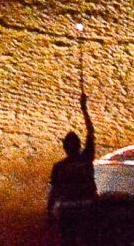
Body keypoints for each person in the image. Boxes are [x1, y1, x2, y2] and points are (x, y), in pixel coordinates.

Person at [48, 90, 99, 243]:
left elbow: (54, 192)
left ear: (65, 148)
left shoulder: (59, 167)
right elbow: (91, 132)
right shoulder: (86, 157)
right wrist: (84, 108)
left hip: (67, 212)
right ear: (79, 145)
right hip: (88, 209)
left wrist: (49, 213)